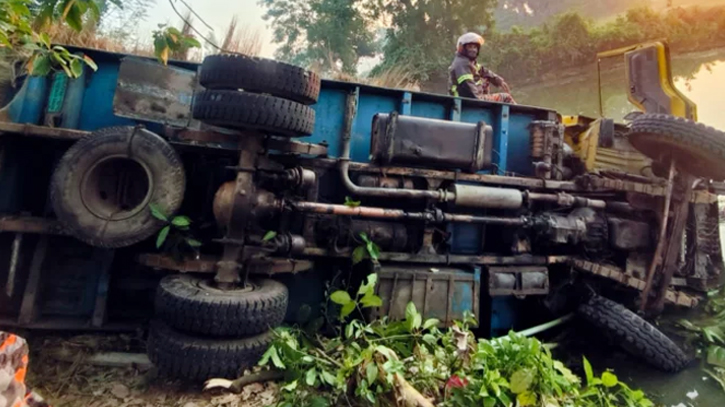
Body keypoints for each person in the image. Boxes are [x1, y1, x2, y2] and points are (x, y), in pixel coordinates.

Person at [448, 32, 516, 104]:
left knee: (486, 78)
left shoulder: (469, 63)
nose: (473, 50)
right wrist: (480, 100)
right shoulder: (462, 64)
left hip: (467, 100)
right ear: (462, 48)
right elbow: (468, 89)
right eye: (470, 47)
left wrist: (498, 80)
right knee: (506, 97)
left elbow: (484, 71)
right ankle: (521, 113)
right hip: (465, 101)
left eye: (475, 47)